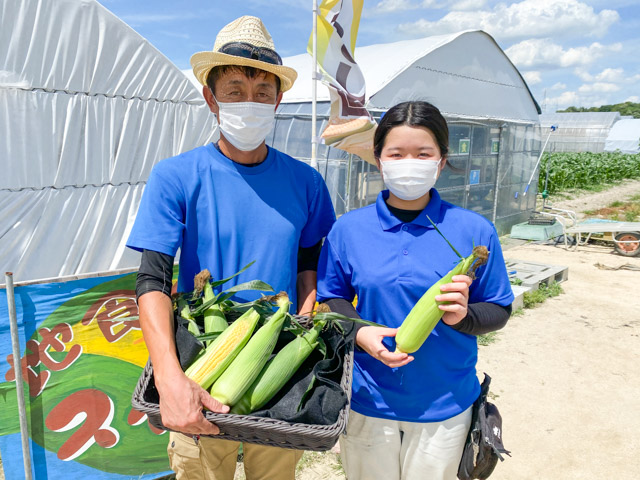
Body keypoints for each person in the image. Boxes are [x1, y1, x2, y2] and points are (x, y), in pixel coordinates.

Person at [126, 16, 336, 480]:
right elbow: (153, 278)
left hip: (276, 358)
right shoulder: (176, 176)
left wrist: (306, 304)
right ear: (211, 98)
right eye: (235, 89)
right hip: (202, 356)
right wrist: (169, 377)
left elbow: (309, 258)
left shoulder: (306, 182)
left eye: (263, 93)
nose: (250, 102)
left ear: (278, 101)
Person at [317, 101, 514, 480]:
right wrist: (360, 331)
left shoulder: (474, 231)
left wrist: (465, 317)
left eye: (423, 153)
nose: (410, 162)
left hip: (444, 403)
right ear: (378, 159)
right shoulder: (348, 230)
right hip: (368, 399)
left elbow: (499, 310)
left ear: (441, 161)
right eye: (397, 153)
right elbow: (331, 297)